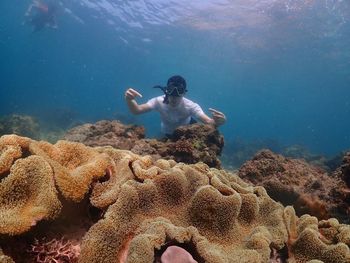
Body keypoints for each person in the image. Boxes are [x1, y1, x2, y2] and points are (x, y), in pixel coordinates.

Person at [125, 75, 226, 137]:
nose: (174, 96)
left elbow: (209, 122)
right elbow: (136, 110)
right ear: (166, 90)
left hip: (189, 131)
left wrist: (218, 122)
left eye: (179, 91)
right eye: (171, 89)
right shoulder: (158, 101)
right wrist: (130, 100)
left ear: (184, 93)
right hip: (168, 133)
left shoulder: (190, 106)